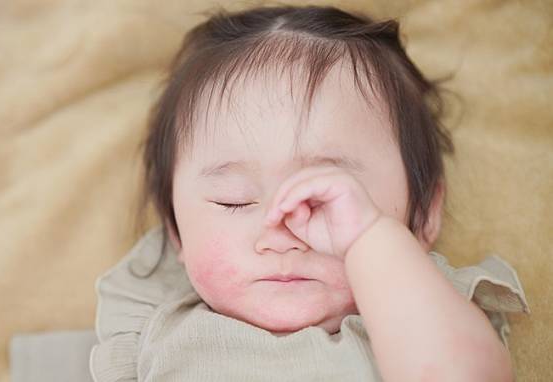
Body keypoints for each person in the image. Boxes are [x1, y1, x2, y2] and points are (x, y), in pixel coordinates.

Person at [89, 5, 530, 381]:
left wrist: (372, 242)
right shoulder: (153, 321)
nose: (282, 231)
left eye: (326, 202)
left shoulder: (425, 310)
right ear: (176, 233)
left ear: (425, 214)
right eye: (234, 199)